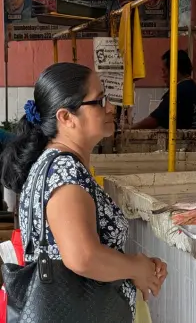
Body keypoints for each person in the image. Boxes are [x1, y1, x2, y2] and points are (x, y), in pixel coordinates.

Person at [0, 63, 168, 322]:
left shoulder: (53, 164)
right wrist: (136, 266)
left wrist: (137, 268)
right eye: (99, 101)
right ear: (66, 117)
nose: (111, 108)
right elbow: (83, 256)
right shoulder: (64, 171)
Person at [131, 49, 196, 129]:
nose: (163, 76)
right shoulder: (193, 88)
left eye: (164, 71)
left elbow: (155, 120)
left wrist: (131, 128)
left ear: (174, 70)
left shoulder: (180, 91)